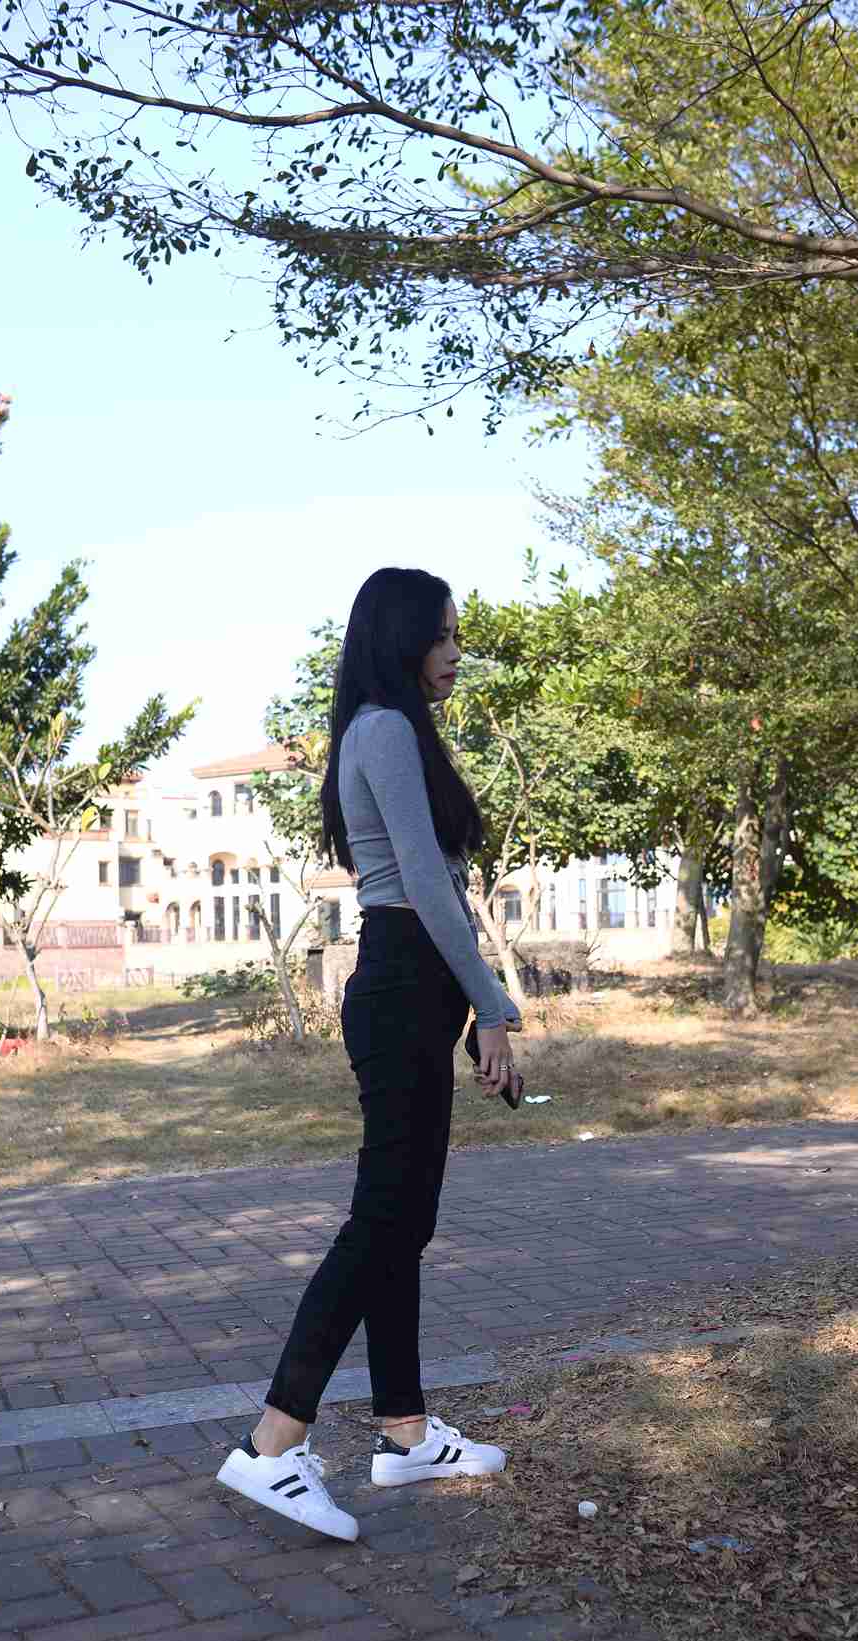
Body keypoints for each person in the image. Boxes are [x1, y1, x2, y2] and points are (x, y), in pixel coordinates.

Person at [216, 567, 524, 1542]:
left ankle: (405, 1432)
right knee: (381, 1220)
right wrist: (492, 1004)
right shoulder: (384, 730)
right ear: (400, 637)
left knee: (403, 1223)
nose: (455, 652)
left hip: (415, 982)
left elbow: (437, 888)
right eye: (442, 634)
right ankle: (272, 1444)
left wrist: (472, 1004)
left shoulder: (391, 729)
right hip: (400, 977)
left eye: (456, 635)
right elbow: (427, 886)